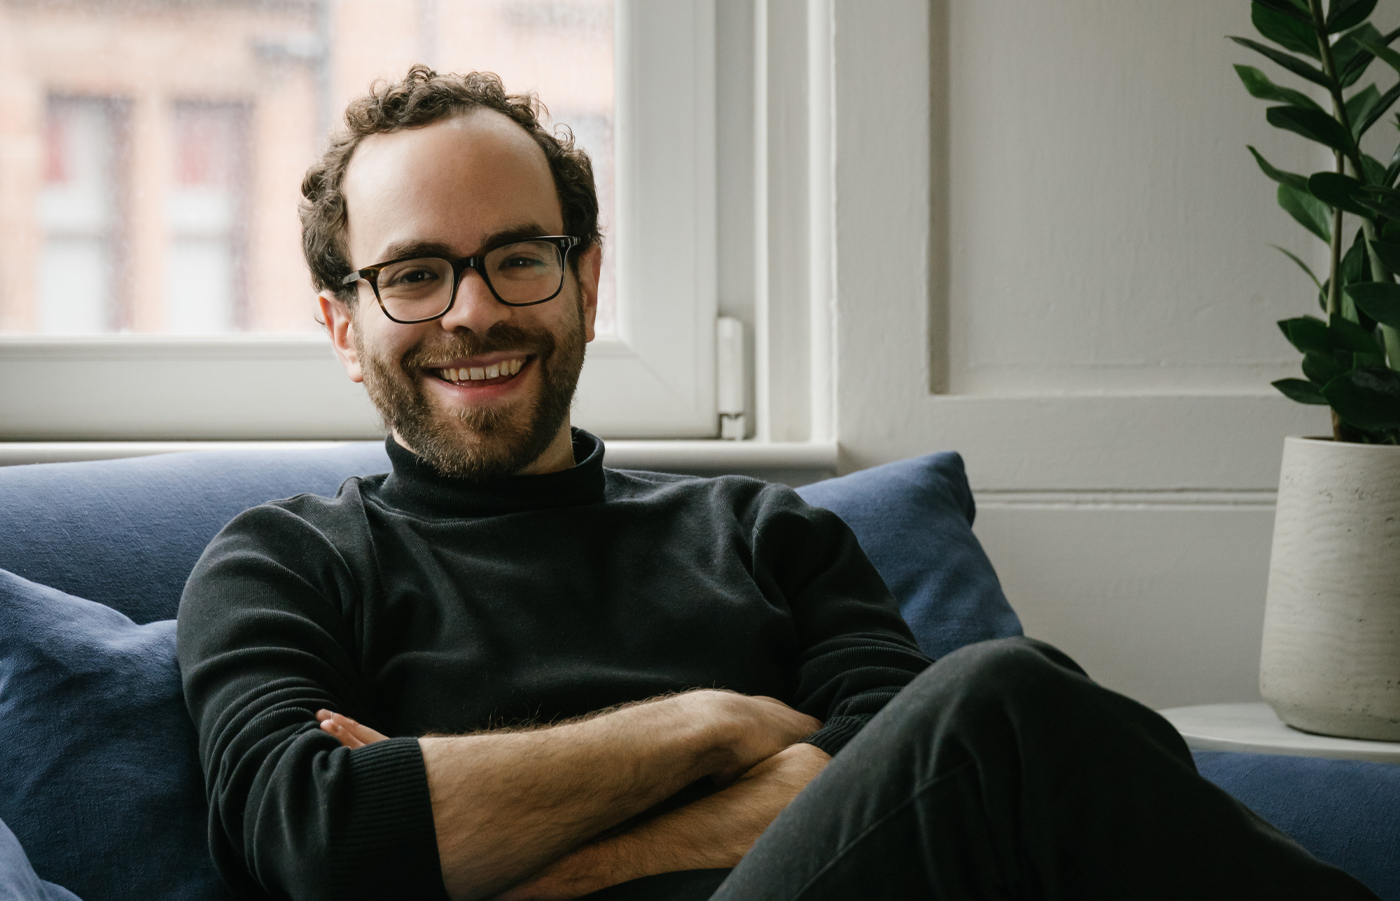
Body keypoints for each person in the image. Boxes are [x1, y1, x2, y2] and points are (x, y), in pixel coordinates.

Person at [176, 67, 1380, 901]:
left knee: (1000, 722)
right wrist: (719, 727)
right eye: (416, 274)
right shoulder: (282, 563)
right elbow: (319, 842)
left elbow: (905, 790)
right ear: (344, 326)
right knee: (1007, 703)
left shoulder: (761, 535)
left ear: (585, 283)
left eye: (517, 258)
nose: (475, 309)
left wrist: (512, 848)